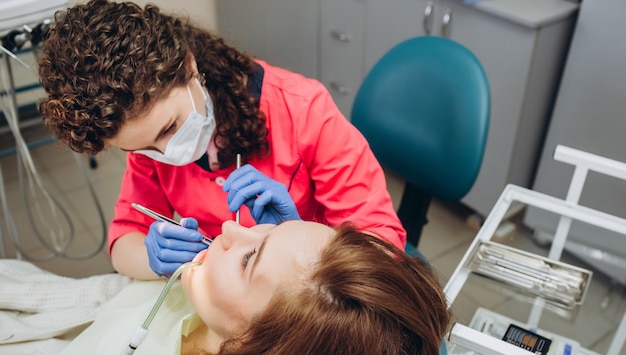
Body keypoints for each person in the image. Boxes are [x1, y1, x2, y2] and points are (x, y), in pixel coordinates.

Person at [36, 0, 407, 281]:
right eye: (145, 149)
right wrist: (154, 260)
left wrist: (303, 240)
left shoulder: (302, 109)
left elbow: (384, 247)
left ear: (191, 69)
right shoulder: (145, 138)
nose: (169, 154)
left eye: (169, 129)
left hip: (322, 286)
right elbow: (124, 240)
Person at [25, 220, 451, 355]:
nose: (230, 227)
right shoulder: (220, 309)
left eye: (249, 258)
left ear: (254, 344)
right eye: (269, 228)